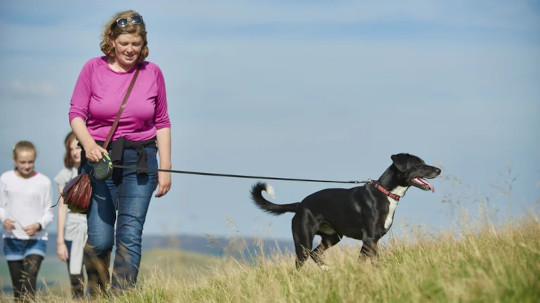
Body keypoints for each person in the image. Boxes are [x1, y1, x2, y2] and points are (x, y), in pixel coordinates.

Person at [68, 10, 172, 294]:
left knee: (129, 236)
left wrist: (165, 167)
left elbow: (162, 121)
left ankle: (121, 297)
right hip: (100, 159)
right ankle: (96, 295)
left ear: (143, 44)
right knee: (100, 240)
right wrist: (89, 145)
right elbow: (76, 113)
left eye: (135, 44)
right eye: (124, 42)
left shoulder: (153, 73)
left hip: (141, 160)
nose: (130, 49)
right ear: (111, 41)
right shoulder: (92, 68)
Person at [0, 141, 54, 301]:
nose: (27, 166)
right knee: (18, 290)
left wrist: (38, 225)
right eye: (23, 162)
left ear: (35, 160)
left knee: (29, 284)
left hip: (36, 240)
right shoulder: (5, 179)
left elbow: (49, 213)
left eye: (30, 162)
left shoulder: (44, 182)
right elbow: (1, 206)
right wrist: (4, 220)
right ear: (15, 160)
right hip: (12, 240)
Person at [55, 132, 87, 298]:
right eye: (71, 149)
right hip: (72, 231)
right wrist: (60, 241)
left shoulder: (96, 171)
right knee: (76, 279)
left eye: (78, 147)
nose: (75, 152)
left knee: (95, 275)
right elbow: (62, 208)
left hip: (90, 229)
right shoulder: (65, 175)